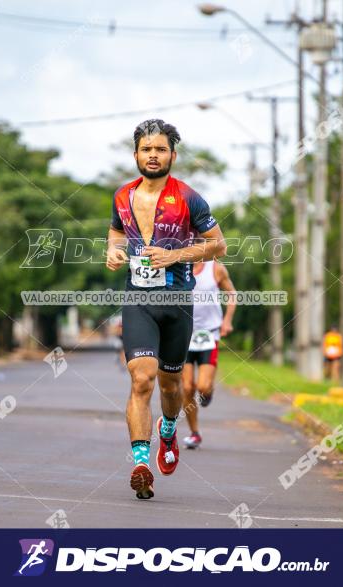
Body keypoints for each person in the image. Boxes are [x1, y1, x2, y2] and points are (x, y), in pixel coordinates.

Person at [106, 119, 226, 499]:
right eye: (146, 149)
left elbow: (218, 246)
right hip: (138, 299)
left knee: (171, 384)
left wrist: (175, 254)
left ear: (172, 154)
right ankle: (141, 461)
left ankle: (169, 431)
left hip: (177, 302)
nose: (153, 156)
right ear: (136, 154)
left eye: (160, 149)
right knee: (142, 378)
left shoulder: (189, 197)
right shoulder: (122, 196)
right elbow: (115, 232)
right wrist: (112, 250)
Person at [181, 260, 236, 449]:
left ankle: (208, 392)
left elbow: (232, 294)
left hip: (209, 333)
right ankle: (194, 432)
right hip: (184, 334)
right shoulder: (179, 265)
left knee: (203, 387)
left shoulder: (216, 268)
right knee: (187, 388)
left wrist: (227, 321)